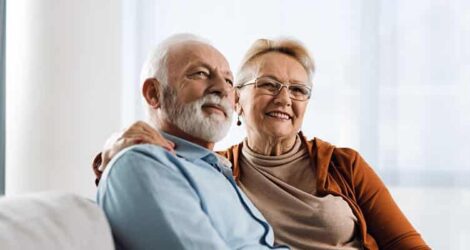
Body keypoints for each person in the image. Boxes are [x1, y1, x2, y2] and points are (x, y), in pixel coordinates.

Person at [94, 37, 431, 250]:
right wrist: (114, 152)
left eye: (298, 90)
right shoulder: (218, 170)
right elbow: (155, 171)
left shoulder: (343, 164)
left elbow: (407, 244)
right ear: (236, 101)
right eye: (268, 85)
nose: (285, 98)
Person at [96, 34, 288, 250]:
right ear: (153, 94)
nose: (223, 89)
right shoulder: (142, 163)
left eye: (228, 81)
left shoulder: (218, 170)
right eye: (200, 74)